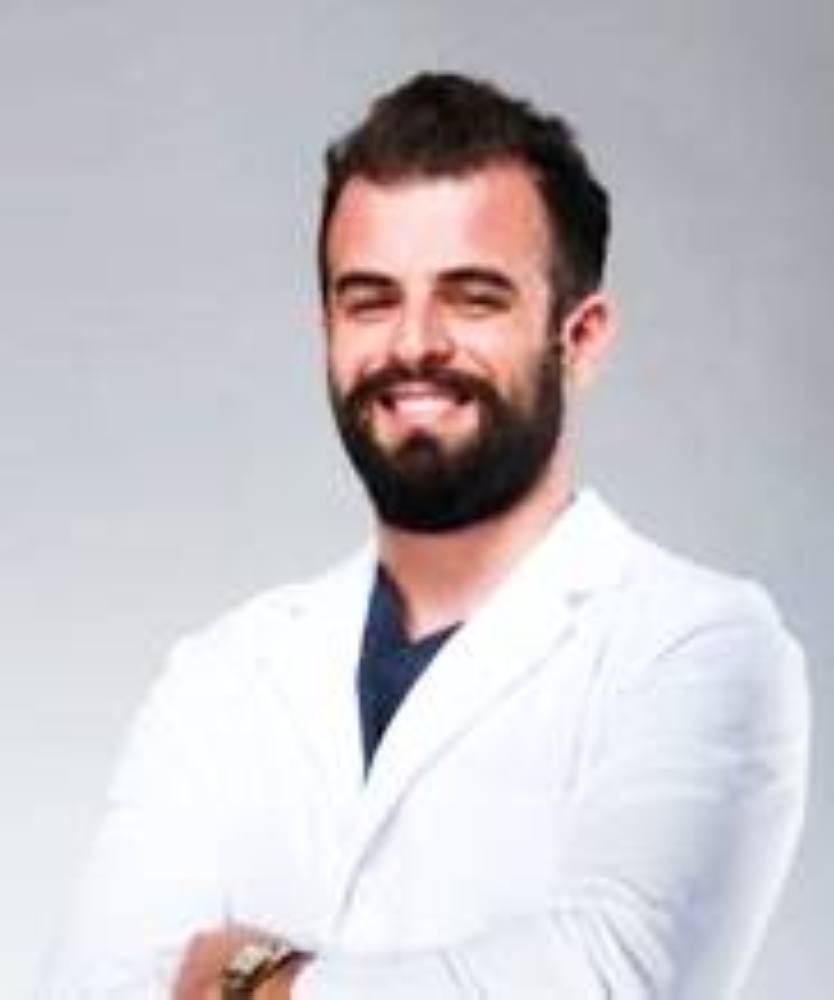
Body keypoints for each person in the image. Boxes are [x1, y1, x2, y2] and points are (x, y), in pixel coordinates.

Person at [46, 72, 809, 999]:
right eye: (370, 300)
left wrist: (251, 982)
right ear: (327, 328)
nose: (412, 344)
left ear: (581, 339)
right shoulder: (219, 673)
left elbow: (607, 978)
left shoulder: (699, 645)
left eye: (473, 297)